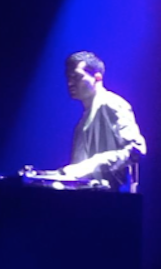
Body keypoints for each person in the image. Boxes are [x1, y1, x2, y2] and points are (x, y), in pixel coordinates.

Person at [59, 51, 146, 192]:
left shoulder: (111, 103)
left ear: (97, 77)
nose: (70, 83)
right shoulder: (82, 121)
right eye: (68, 77)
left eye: (77, 77)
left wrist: (89, 165)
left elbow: (136, 149)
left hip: (112, 201)